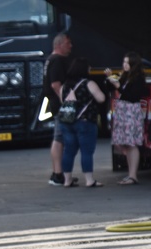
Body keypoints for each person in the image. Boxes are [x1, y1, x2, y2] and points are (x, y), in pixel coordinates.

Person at [59, 57, 106, 188]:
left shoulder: (64, 86)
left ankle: (67, 180)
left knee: (68, 151)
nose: (90, 69)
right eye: (89, 67)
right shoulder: (88, 83)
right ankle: (89, 180)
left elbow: (62, 101)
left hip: (67, 122)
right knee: (86, 151)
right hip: (85, 121)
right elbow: (101, 98)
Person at [105, 52, 149, 185]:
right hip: (122, 110)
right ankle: (131, 173)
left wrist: (119, 87)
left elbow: (133, 96)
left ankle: (133, 175)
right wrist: (109, 78)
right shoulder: (125, 76)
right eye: (124, 62)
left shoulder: (138, 79)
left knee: (131, 143)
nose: (124, 65)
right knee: (123, 142)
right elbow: (110, 88)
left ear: (133, 64)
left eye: (127, 62)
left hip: (131, 110)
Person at [43, 32, 73, 186]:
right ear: (59, 45)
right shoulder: (57, 60)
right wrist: (66, 103)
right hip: (59, 105)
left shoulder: (50, 59)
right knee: (59, 138)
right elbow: (56, 84)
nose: (71, 46)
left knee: (59, 138)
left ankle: (57, 172)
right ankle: (58, 174)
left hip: (54, 104)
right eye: (68, 43)